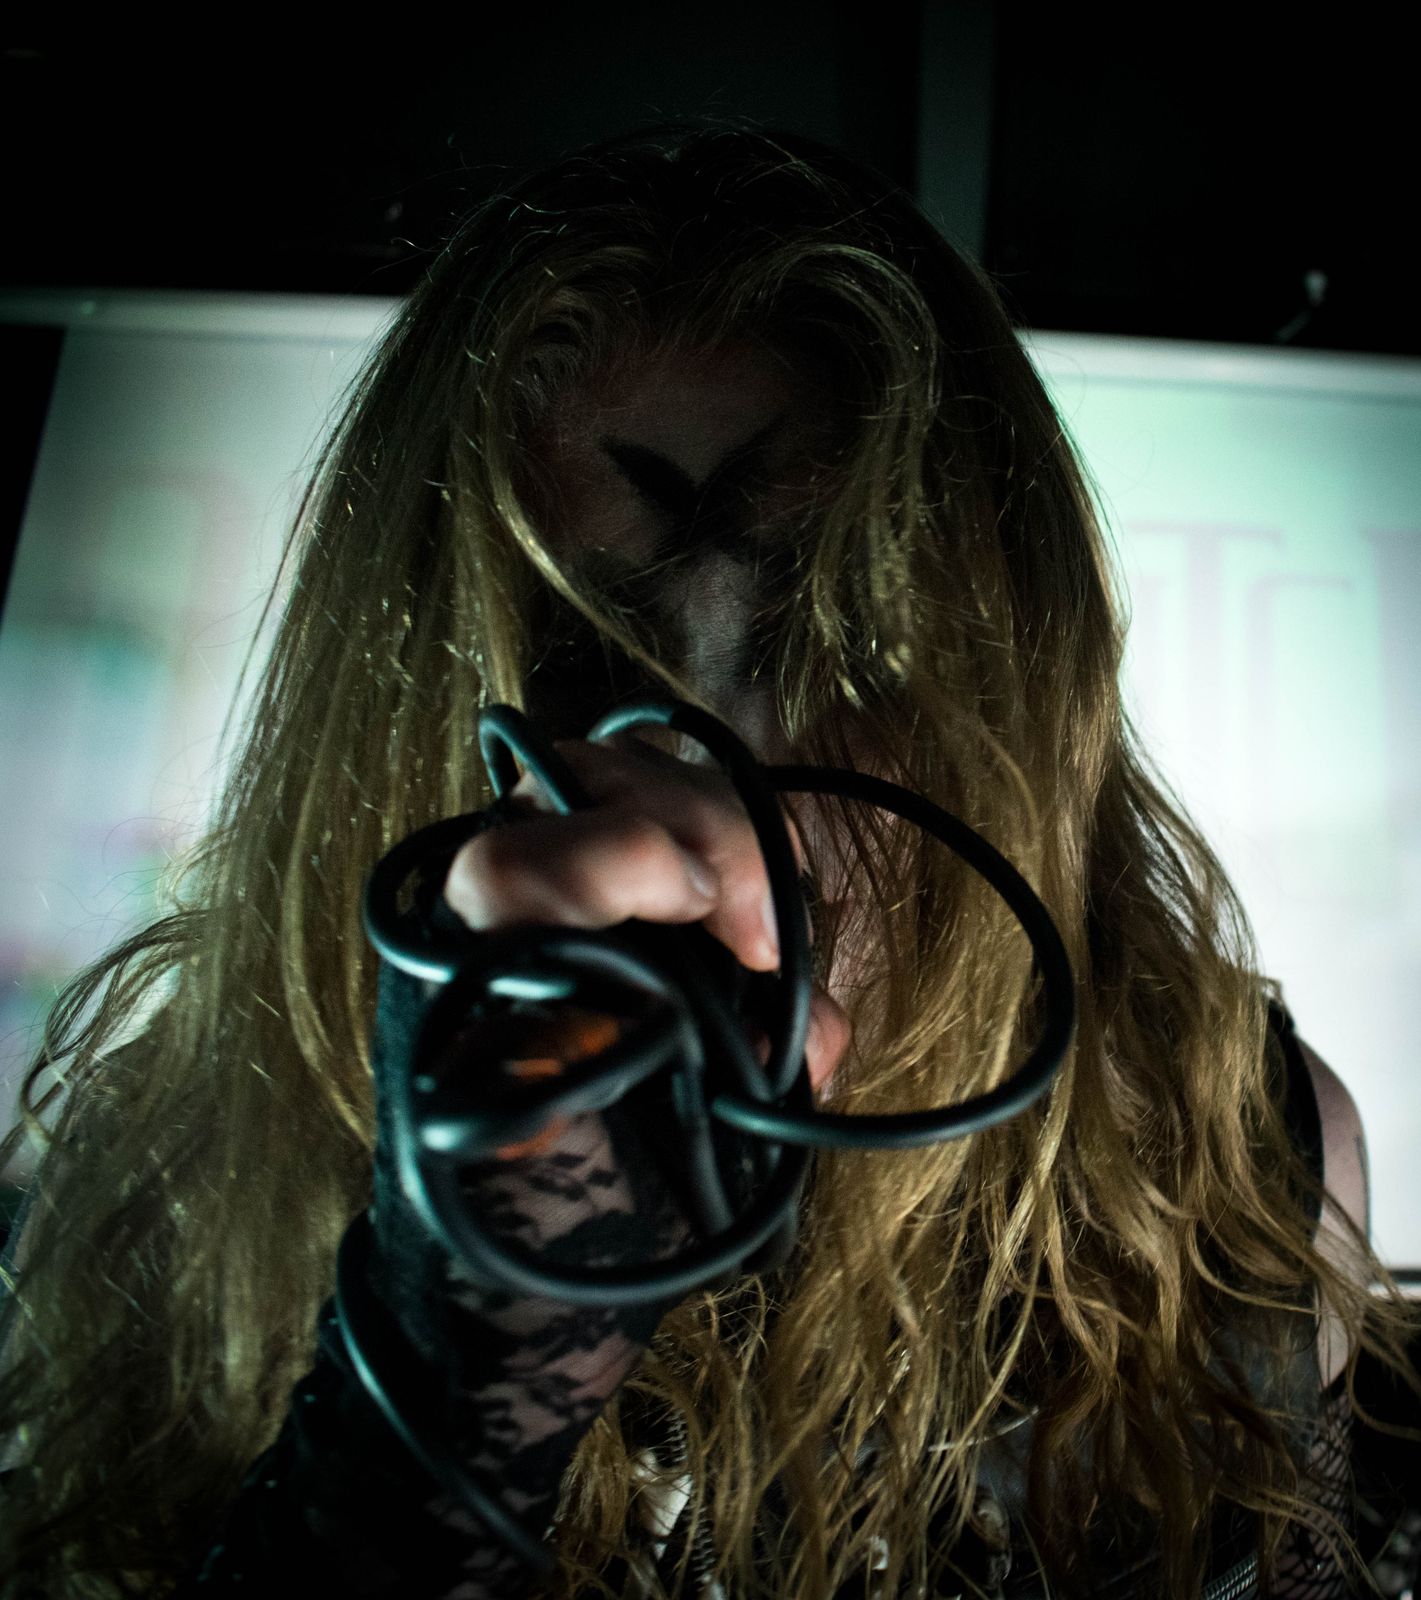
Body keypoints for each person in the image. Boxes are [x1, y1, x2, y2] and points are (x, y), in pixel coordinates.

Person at [0, 117, 1415, 1600]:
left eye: (843, 648)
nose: (715, 792)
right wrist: (450, 1361)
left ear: (1011, 684)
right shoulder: (188, 1157)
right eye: (584, 656)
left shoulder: (1229, 1152)